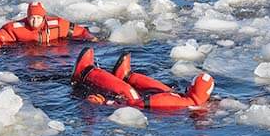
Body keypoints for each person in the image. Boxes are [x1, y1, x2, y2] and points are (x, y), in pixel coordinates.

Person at [72, 47, 214, 111]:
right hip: (171, 105)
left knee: (128, 92)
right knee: (165, 89)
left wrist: (105, 103)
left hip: (138, 105)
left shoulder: (171, 101)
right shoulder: (193, 102)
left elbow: (134, 104)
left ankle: (85, 72)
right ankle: (126, 76)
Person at [0, 1, 94, 53]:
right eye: (32, 18)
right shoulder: (18, 27)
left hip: (50, 54)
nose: (35, 21)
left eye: (38, 18)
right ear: (27, 17)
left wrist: (91, 38)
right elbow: (1, 35)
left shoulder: (57, 24)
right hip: (27, 55)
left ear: (43, 17)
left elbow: (80, 31)